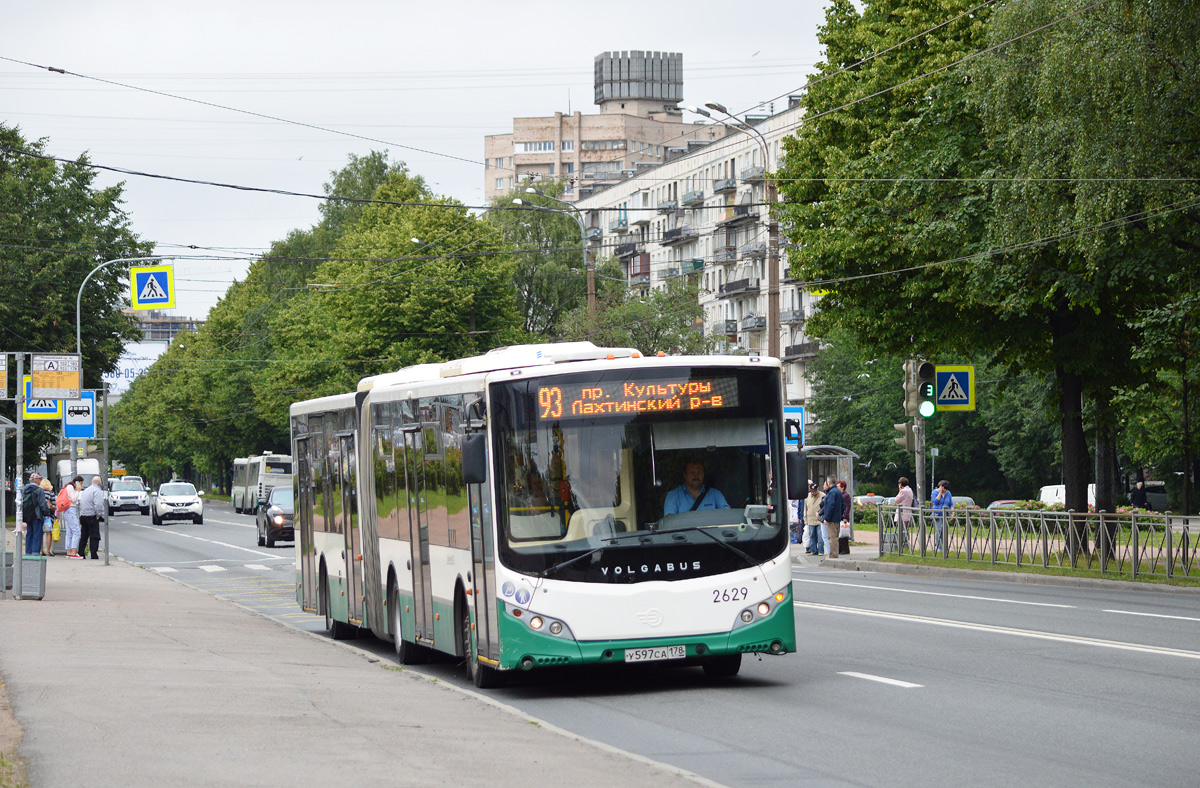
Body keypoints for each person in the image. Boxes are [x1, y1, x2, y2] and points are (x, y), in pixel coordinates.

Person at [663, 460, 730, 515]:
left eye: (699, 472)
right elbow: (670, 522)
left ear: (704, 474)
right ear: (685, 475)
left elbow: (728, 515)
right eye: (692, 472)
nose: (696, 475)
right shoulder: (673, 496)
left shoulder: (715, 494)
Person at [20, 472, 50, 556]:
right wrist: (47, 513)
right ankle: (35, 553)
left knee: (29, 534)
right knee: (37, 534)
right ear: (36, 480)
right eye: (39, 479)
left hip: (27, 515)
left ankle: (28, 552)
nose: (40, 481)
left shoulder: (25, 490)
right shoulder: (39, 490)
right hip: (37, 515)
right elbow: (42, 504)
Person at [78, 475, 106, 560]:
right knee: (94, 536)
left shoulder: (86, 490)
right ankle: (94, 554)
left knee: (84, 535)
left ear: (92, 482)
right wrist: (99, 515)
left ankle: (81, 553)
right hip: (91, 516)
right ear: (99, 483)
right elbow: (98, 504)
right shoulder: (97, 491)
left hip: (83, 516)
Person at [59, 475, 84, 559]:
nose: (81, 485)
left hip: (68, 510)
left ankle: (69, 551)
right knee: (76, 531)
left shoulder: (68, 487)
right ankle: (73, 551)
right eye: (80, 483)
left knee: (69, 531)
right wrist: (78, 491)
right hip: (70, 509)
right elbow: (73, 499)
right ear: (77, 483)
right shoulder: (70, 487)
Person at [821, 476, 844, 558]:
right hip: (837, 518)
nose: (824, 485)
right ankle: (834, 553)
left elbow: (830, 506)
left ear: (829, 483)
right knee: (836, 537)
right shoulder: (838, 492)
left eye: (825, 483)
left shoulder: (831, 493)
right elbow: (843, 505)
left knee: (832, 537)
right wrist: (840, 515)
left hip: (832, 519)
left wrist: (826, 518)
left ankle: (833, 555)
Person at [803, 483, 825, 555]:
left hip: (819, 520)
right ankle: (813, 550)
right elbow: (805, 509)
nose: (813, 493)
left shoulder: (823, 496)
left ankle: (821, 551)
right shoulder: (807, 497)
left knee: (820, 536)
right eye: (812, 491)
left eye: (815, 491)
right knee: (812, 536)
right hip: (810, 520)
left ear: (818, 489)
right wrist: (805, 519)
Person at [931, 479, 953, 553]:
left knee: (944, 531)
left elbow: (951, 503)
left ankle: (944, 546)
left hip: (945, 514)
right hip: (937, 513)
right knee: (939, 530)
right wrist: (940, 493)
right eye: (944, 488)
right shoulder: (934, 492)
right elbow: (935, 501)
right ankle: (939, 547)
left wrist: (952, 512)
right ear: (941, 487)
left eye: (946, 489)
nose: (945, 490)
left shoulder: (948, 493)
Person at [894, 477, 915, 548]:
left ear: (900, 484)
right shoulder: (909, 490)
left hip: (902, 513)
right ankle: (905, 545)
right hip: (908, 513)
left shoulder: (903, 491)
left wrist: (899, 490)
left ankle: (901, 546)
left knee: (901, 531)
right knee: (906, 530)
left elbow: (896, 500)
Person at [40, 477, 55, 555]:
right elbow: (54, 505)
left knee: (41, 533)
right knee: (49, 533)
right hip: (48, 515)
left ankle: (41, 551)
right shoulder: (51, 493)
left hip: (40, 515)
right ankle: (48, 551)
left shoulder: (39, 492)